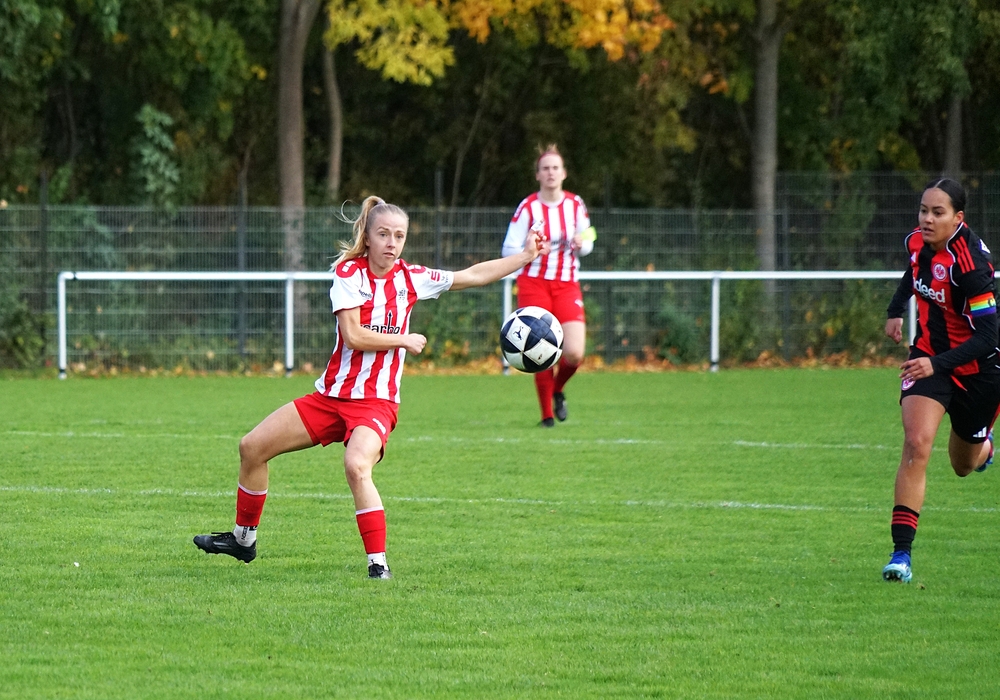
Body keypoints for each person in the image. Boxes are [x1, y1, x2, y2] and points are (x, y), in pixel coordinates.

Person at [194, 196, 549, 579]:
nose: (392, 243)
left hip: (376, 404)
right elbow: (353, 336)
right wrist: (403, 339)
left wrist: (526, 255)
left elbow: (474, 275)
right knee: (251, 447)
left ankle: (378, 565)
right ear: (367, 236)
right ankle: (243, 540)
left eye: (399, 235)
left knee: (356, 464)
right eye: (383, 234)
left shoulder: (411, 278)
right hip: (330, 398)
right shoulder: (349, 274)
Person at [881, 178, 1000, 583]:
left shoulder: (971, 265)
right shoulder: (918, 241)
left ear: (958, 218)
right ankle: (901, 555)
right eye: (923, 210)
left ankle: (985, 449)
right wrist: (895, 310)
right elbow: (913, 271)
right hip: (927, 358)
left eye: (937, 212)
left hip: (980, 372)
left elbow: (988, 337)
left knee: (963, 465)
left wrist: (938, 364)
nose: (927, 219)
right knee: (916, 444)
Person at [502, 144, 596, 427]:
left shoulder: (575, 204)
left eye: (556, 168)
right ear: (538, 175)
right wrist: (530, 250)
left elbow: (589, 238)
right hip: (534, 284)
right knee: (538, 347)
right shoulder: (528, 207)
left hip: (567, 284)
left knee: (574, 352)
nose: (551, 173)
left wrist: (582, 244)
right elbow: (508, 249)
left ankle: (557, 389)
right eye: (545, 168)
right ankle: (546, 416)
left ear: (564, 173)